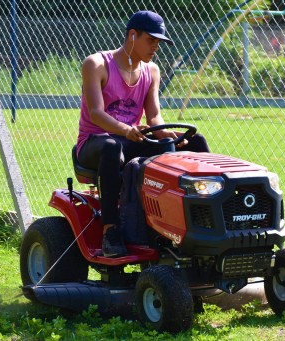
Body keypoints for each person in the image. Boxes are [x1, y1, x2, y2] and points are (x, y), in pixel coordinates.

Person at [76, 10, 210, 257]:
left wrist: (172, 138)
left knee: (193, 143)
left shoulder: (152, 71)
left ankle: (199, 221)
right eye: (151, 40)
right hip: (95, 142)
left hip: (132, 138)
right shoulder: (96, 64)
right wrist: (127, 130)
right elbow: (96, 113)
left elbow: (154, 118)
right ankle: (111, 230)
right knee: (112, 147)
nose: (155, 47)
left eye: (159, 42)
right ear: (132, 35)